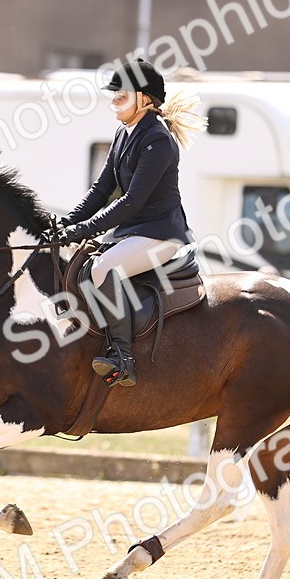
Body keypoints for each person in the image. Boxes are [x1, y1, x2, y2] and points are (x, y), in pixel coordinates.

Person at [56, 59, 206, 387]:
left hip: (162, 235)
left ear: (144, 100)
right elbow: (100, 190)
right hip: (133, 233)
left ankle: (122, 357)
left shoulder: (157, 140)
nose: (113, 101)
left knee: (103, 269)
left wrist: (82, 230)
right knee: (77, 263)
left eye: (121, 96)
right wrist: (67, 222)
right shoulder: (124, 133)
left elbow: (132, 201)